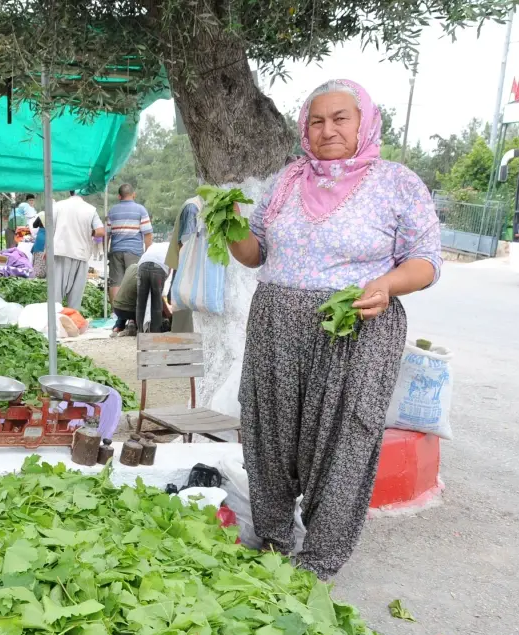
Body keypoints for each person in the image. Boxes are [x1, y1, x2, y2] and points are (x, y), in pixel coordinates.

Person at [227, 79, 440, 579]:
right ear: (305, 128)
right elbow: (255, 253)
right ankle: (275, 544)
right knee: (269, 433)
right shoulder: (285, 182)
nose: (327, 130)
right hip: (276, 325)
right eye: (316, 121)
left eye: (340, 118)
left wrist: (387, 284)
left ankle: (319, 561)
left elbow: (426, 261)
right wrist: (230, 229)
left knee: (345, 435)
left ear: (363, 121)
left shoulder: (397, 182)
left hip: (356, 328)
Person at [51, 191, 104, 310]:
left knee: (56, 292)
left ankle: (55, 322)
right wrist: (89, 232)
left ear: (70, 192)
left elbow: (49, 228)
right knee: (75, 295)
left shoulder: (58, 206)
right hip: (81, 253)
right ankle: (72, 320)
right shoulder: (90, 209)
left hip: (60, 251)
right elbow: (100, 231)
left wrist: (46, 249)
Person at [105, 183, 153, 301]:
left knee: (115, 282)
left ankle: (115, 313)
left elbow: (107, 234)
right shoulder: (141, 210)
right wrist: (148, 252)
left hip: (116, 251)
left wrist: (106, 251)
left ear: (119, 196)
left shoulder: (112, 211)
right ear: (134, 195)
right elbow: (147, 233)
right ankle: (132, 313)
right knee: (134, 282)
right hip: (134, 252)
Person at [163, 200, 200, 333]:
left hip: (188, 274)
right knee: (184, 328)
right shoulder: (193, 207)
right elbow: (186, 246)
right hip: (187, 274)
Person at [136, 241, 171, 333]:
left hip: (142, 266)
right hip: (159, 268)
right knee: (156, 302)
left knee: (141, 302)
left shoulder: (154, 245)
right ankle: (155, 333)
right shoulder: (174, 247)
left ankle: (140, 332)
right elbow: (172, 268)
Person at [110, 260, 139, 337]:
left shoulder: (131, 267)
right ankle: (134, 322)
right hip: (132, 311)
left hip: (117, 308)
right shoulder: (148, 272)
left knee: (125, 299)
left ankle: (117, 327)